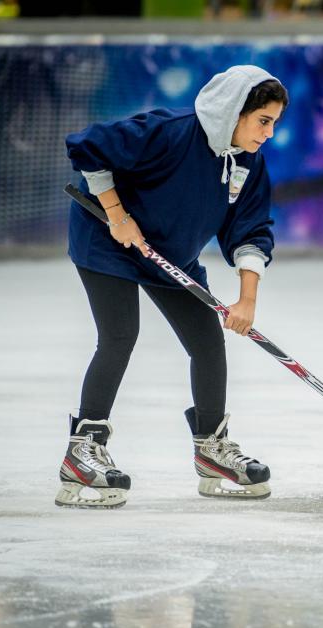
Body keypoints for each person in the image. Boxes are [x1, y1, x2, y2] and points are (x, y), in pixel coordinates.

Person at [55, 65, 287, 508]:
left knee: (206, 341)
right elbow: (88, 147)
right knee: (120, 335)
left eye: (275, 123)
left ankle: (211, 449)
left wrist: (247, 300)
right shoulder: (170, 131)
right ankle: (81, 452)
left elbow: (252, 230)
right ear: (236, 111)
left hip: (170, 256)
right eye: (263, 120)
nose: (269, 133)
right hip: (107, 242)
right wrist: (118, 215)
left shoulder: (247, 162)